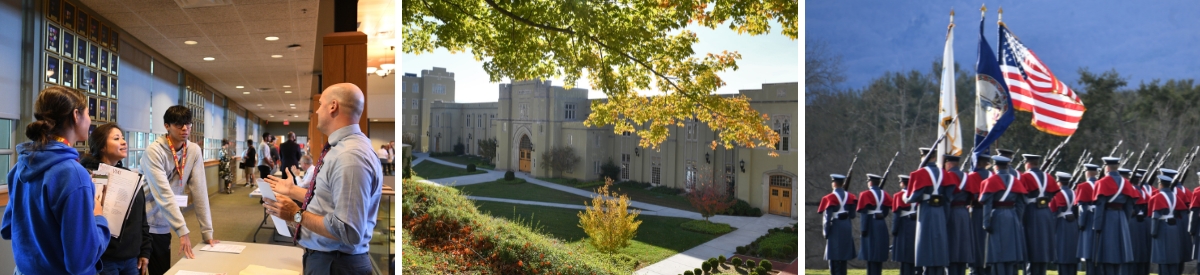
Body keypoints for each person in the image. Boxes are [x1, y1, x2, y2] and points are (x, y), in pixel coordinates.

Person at [262, 83, 383, 274]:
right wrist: (293, 190)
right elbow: (329, 200)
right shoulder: (342, 149)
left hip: (337, 265)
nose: (317, 110)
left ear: (333, 106)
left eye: (320, 104)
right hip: (329, 260)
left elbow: (348, 231)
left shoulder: (350, 156)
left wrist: (295, 214)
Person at [1, 86, 109, 274]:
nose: (90, 121)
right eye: (88, 113)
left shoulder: (20, 166)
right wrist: (99, 218)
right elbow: (80, 262)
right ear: (76, 115)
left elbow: (8, 228)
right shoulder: (74, 175)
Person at [141, 105, 220, 275]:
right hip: (142, 219)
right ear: (167, 126)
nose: (185, 128)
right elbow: (164, 193)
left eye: (188, 124)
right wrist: (182, 230)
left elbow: (200, 191)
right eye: (179, 124)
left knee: (161, 270)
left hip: (164, 221)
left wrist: (207, 232)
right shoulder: (154, 151)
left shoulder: (193, 150)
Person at [83, 123, 152, 275]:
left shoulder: (130, 177)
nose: (123, 141)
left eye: (122, 137)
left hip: (131, 259)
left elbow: (141, 218)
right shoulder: (89, 176)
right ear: (102, 146)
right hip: (103, 259)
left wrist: (145, 251)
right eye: (116, 138)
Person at [907, 147, 953, 275]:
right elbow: (949, 196)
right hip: (939, 211)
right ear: (934, 157)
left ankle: (927, 270)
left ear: (923, 157)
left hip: (926, 209)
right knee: (938, 241)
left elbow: (915, 196)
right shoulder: (943, 173)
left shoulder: (921, 173)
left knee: (925, 241)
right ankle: (939, 270)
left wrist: (907, 199)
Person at [979, 155, 1027, 275]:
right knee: (1011, 250)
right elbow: (1021, 204)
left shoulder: (991, 180)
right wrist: (1017, 219)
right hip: (1012, 216)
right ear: (1007, 166)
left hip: (997, 215)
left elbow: (987, 203)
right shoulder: (1016, 181)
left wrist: (985, 222)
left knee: (997, 251)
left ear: (995, 166)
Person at [1092, 157, 1138, 275]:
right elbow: (1129, 207)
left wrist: (1097, 226)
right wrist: (1125, 223)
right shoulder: (1126, 183)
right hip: (1121, 218)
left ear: (1106, 167)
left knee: (1107, 254)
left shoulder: (1101, 182)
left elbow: (1100, 206)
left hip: (1107, 218)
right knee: (1119, 255)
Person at [1020, 154, 1059, 275]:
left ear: (1027, 163)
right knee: (1043, 246)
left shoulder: (1025, 176)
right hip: (1046, 213)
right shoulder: (1047, 176)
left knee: (1031, 245)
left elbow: (1021, 196)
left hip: (1031, 211)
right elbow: (1053, 194)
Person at [943, 155, 975, 275]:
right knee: (962, 247)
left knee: (952, 246)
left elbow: (946, 198)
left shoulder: (948, 176)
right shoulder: (966, 177)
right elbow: (973, 197)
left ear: (949, 164)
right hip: (964, 213)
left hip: (951, 212)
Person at [818, 173, 855, 275]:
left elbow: (827, 218)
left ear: (834, 184)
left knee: (834, 259)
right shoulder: (850, 196)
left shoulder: (829, 198)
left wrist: (826, 232)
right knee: (843, 259)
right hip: (846, 226)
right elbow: (852, 215)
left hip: (835, 227)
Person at [1150, 174, 1185, 275]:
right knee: (1173, 257)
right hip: (1173, 228)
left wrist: (1153, 231)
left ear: (1160, 184)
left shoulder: (1158, 196)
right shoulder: (1175, 196)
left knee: (1163, 258)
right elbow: (1181, 212)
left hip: (1162, 227)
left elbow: (1155, 216)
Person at [964, 153, 991, 275]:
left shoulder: (973, 176)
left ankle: (975, 268)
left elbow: (970, 195)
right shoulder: (992, 175)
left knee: (975, 240)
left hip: (977, 211)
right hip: (991, 212)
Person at [857, 173, 890, 275]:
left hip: (870, 224)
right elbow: (886, 209)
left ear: (870, 182)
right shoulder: (884, 194)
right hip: (881, 224)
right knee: (878, 253)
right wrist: (881, 215)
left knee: (870, 254)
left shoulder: (865, 194)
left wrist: (863, 229)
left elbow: (864, 213)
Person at [1050, 171, 1081, 275]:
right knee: (1072, 252)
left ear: (1058, 181)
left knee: (1062, 252)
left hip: (1061, 224)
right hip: (1073, 225)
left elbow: (1053, 212)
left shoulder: (1057, 194)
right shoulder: (1074, 192)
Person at [894, 175, 922, 275]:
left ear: (903, 183)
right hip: (916, 224)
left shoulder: (898, 195)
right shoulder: (917, 195)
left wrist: (894, 229)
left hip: (904, 224)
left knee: (904, 254)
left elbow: (897, 214)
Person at [1076, 164, 1100, 275]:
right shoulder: (1101, 184)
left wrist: (1081, 223)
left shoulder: (1083, 186)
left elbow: (1082, 207)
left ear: (1087, 173)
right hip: (1101, 217)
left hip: (1089, 218)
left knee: (1089, 251)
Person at [1128, 169, 1152, 275]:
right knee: (1142, 252)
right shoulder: (1143, 191)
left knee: (1134, 252)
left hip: (1133, 222)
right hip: (1143, 222)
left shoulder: (1132, 190)